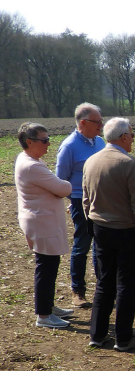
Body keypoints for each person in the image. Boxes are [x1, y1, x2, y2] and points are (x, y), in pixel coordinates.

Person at [83, 118, 135, 351]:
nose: (133, 139)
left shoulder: (91, 161)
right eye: (132, 135)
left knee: (104, 283)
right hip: (128, 232)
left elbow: (86, 199)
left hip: (100, 229)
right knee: (127, 286)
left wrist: (92, 222)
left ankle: (97, 334)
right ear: (123, 137)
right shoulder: (130, 164)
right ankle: (124, 337)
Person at [15, 123, 76, 328]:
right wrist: (63, 186)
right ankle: (43, 315)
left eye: (48, 138)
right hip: (41, 222)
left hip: (41, 220)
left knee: (50, 264)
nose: (49, 144)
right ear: (29, 142)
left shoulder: (30, 160)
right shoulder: (33, 165)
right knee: (46, 266)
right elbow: (63, 187)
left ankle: (48, 306)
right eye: (44, 140)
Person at [55, 102, 106, 308]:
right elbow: (61, 180)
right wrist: (73, 203)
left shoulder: (100, 142)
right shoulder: (69, 146)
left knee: (101, 244)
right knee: (82, 245)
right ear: (83, 123)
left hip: (101, 199)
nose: (101, 126)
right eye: (97, 122)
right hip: (80, 200)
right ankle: (78, 290)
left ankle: (104, 286)